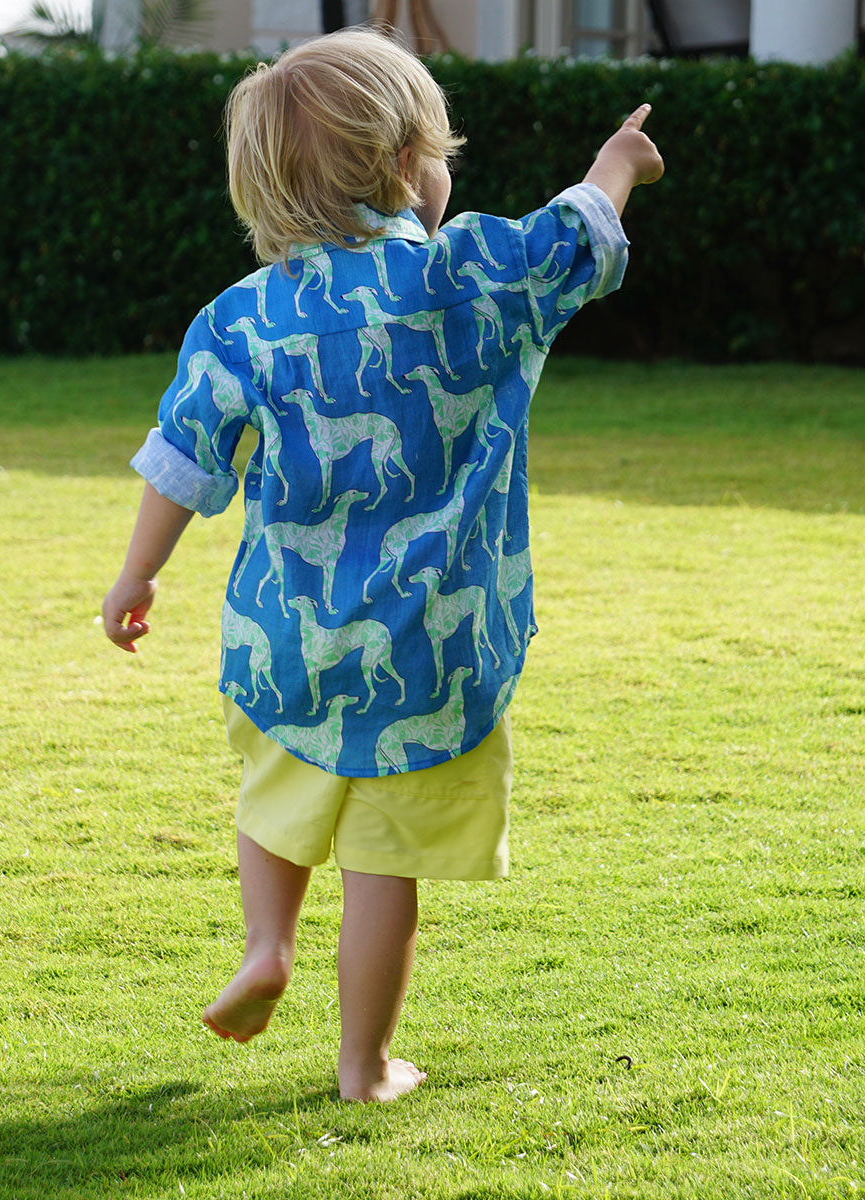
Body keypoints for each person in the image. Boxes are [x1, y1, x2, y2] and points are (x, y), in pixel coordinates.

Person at [101, 26, 663, 1102]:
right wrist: (618, 162)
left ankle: (266, 945)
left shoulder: (242, 321)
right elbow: (576, 237)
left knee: (276, 798)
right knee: (382, 870)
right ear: (408, 163)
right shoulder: (470, 278)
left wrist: (137, 577)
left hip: (287, 640)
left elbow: (182, 458)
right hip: (434, 651)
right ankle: (364, 1068)